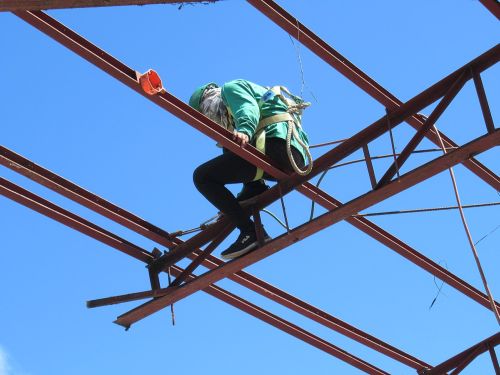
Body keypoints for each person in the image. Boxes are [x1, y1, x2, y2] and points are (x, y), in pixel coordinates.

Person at [189, 79, 310, 260]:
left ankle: (250, 232)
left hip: (276, 147)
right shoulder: (244, 101)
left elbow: (247, 107)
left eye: (206, 114)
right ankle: (254, 188)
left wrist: (245, 130)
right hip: (290, 156)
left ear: (207, 101)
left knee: (202, 177)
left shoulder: (231, 88)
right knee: (226, 142)